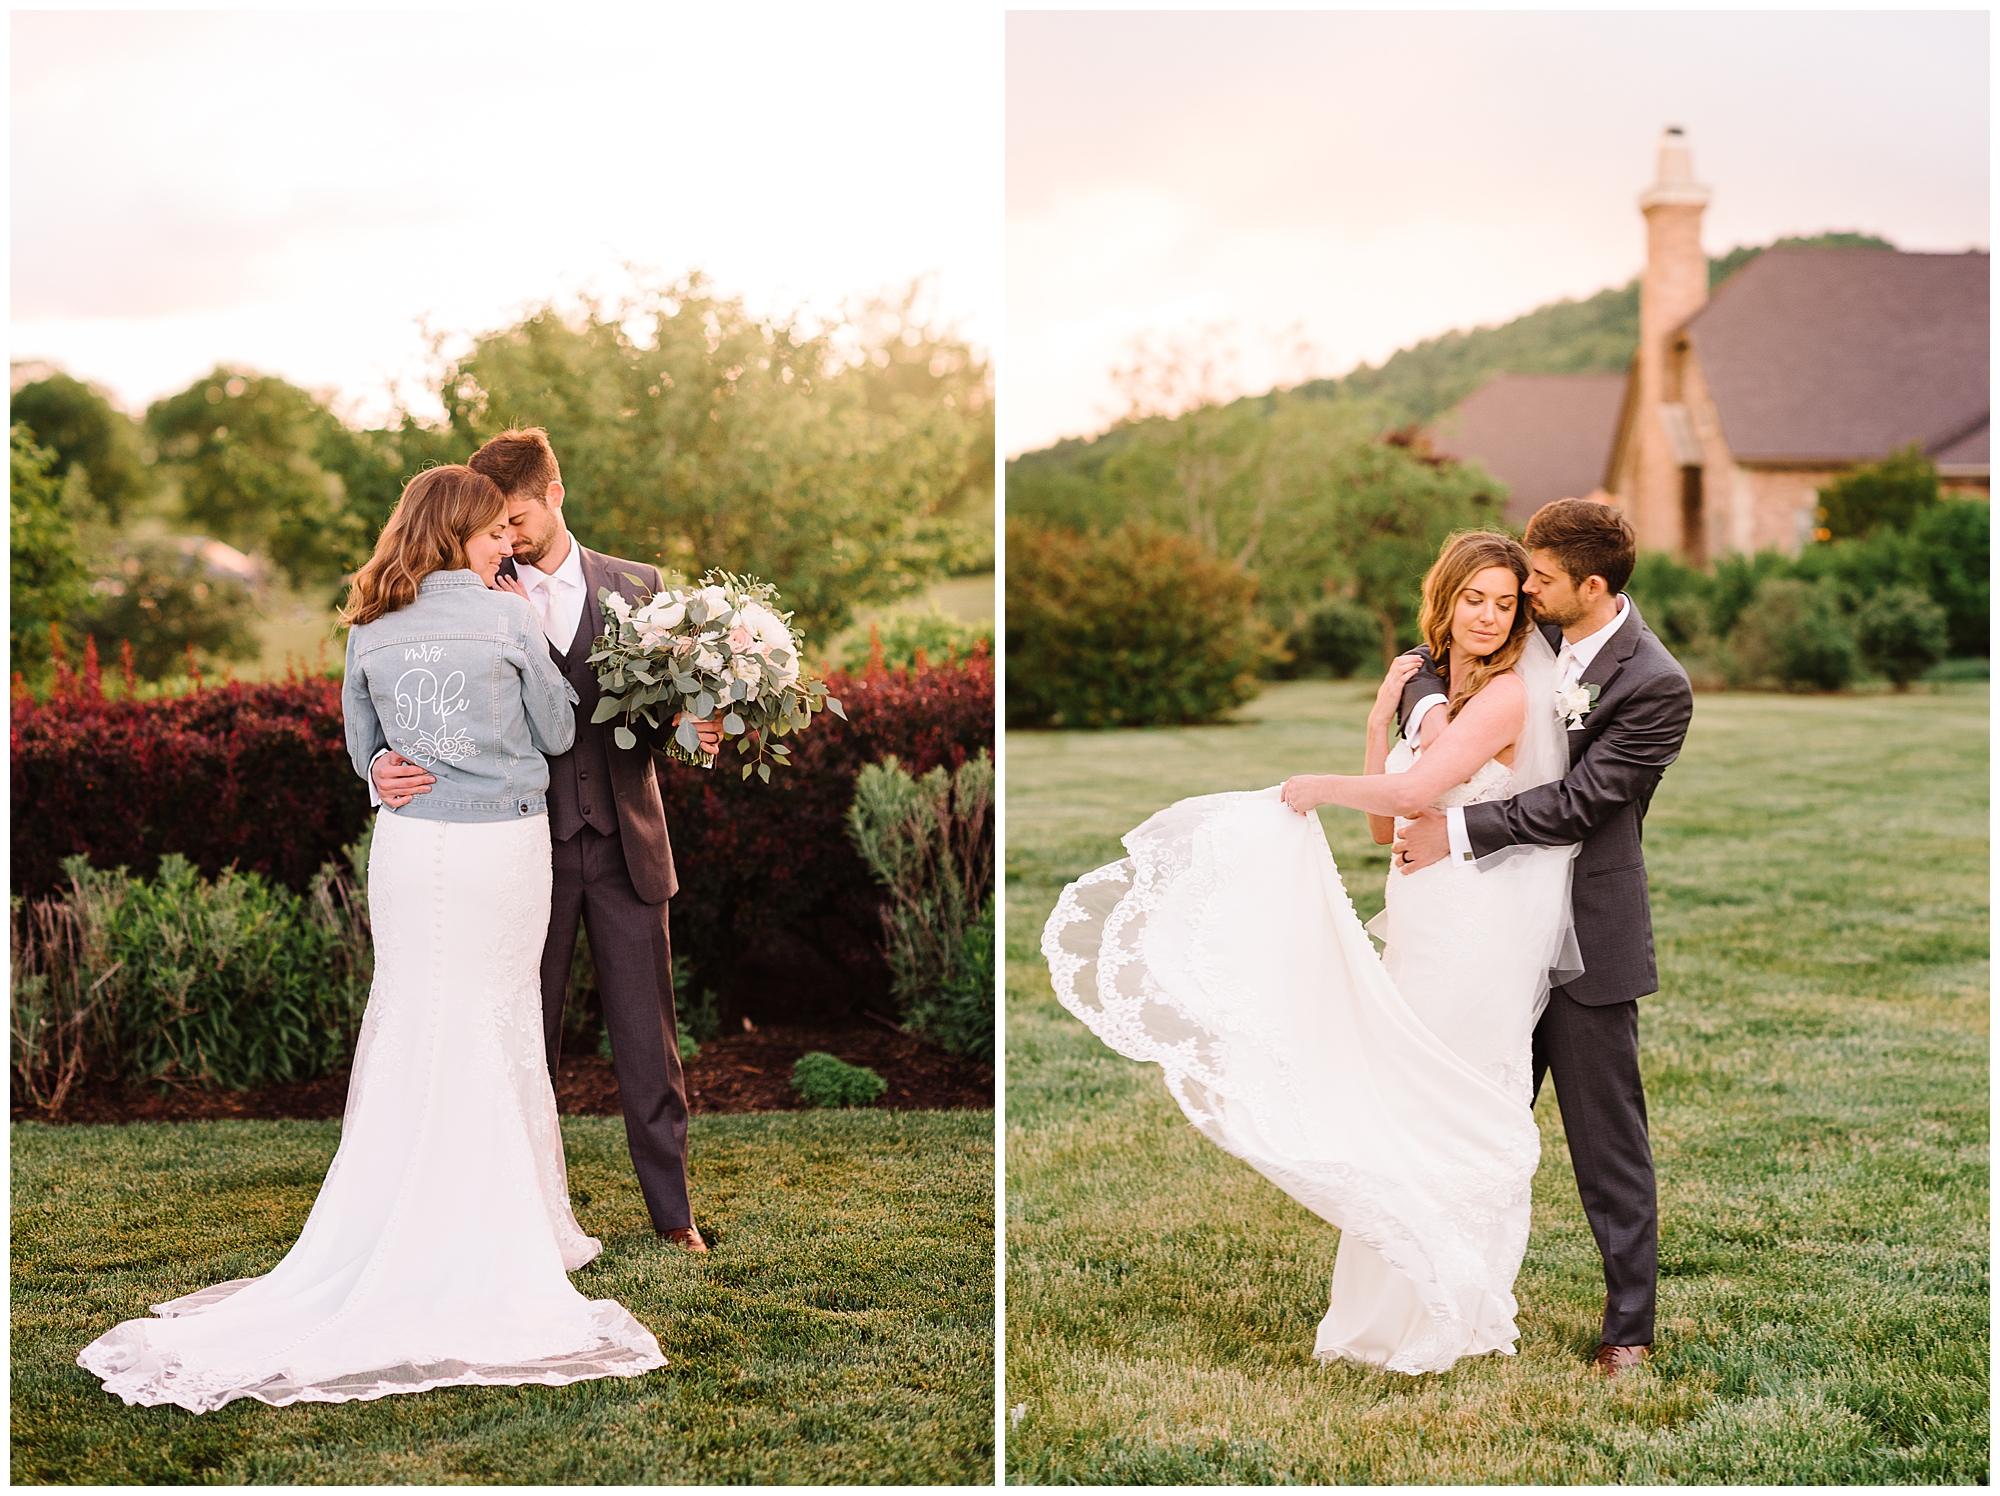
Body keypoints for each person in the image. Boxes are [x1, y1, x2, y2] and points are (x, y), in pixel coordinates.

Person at [79, 465, 668, 1413]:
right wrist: (516, 635)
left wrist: (389, 770)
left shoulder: (368, 625)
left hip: (406, 849)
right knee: (493, 1017)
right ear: (456, 536)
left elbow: (365, 750)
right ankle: (491, 1233)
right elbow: (560, 734)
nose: (503, 549)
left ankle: (403, 1214)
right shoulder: (510, 615)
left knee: (414, 1019)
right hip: (496, 847)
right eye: (489, 536)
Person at [1043, 529, 1590, 1376]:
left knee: (1443, 1107)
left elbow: (1410, 795)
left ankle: (1453, 1305)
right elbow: (1388, 827)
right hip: (1426, 921)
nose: (1487, 616)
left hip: (1477, 935)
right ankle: (1398, 1306)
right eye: (1472, 599)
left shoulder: (1510, 698)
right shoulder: (1442, 696)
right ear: (1444, 601)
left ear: (1522, 614)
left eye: (1505, 603)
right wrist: (1379, 720)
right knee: (1401, 1107)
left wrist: (1316, 786)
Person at [372, 428, 720, 1255]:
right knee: (524, 1038)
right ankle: (523, 1216)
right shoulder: (471, 593)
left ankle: (673, 1214)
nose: (510, 536)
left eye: (519, 517)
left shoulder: (644, 588)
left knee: (650, 1042)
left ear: (554, 495)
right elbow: (414, 696)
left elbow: (663, 716)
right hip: (522, 852)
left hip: (630, 846)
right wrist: (379, 760)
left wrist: (696, 726)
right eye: (497, 523)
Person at [1389, 498, 1692, 1378]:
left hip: (1587, 936)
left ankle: (1628, 1330)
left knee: (1608, 1146)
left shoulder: (1654, 683)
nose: (1524, 590)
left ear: (1590, 588)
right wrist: (1427, 716)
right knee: (1468, 1119)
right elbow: (1423, 659)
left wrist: (1459, 829)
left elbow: (1581, 804)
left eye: (1543, 580)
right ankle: (1438, 1295)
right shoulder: (1537, 632)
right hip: (1495, 932)